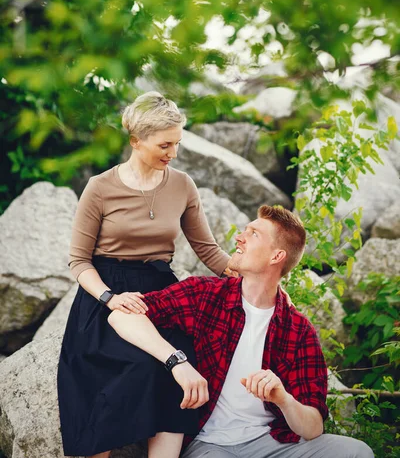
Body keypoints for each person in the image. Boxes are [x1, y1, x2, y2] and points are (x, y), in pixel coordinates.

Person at [108, 205, 374, 458]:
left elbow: (313, 427)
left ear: (276, 256)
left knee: (357, 452)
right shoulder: (205, 294)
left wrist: (283, 398)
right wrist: (177, 361)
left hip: (272, 443)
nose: (240, 237)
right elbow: (122, 315)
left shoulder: (299, 330)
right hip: (211, 445)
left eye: (253, 233)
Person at [57, 91, 231, 458]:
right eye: (165, 145)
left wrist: (258, 279)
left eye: (177, 144)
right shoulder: (100, 188)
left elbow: (208, 250)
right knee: (121, 369)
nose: (173, 154)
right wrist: (109, 297)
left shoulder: (182, 185)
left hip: (160, 293)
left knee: (178, 366)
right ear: (136, 142)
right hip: (105, 294)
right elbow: (78, 261)